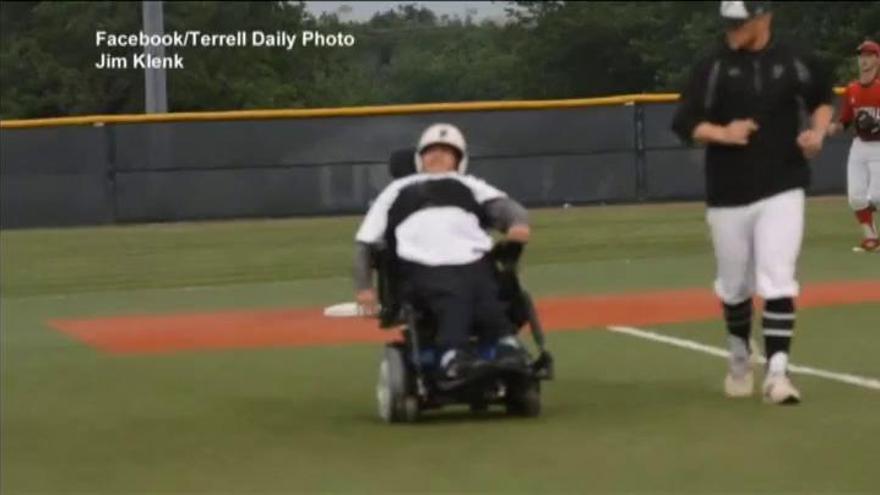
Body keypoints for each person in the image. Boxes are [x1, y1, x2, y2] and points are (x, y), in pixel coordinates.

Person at [671, 1, 834, 404]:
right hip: (728, 192)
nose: (733, 30)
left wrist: (818, 133)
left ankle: (778, 372)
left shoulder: (795, 59)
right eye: (729, 23)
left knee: (778, 275)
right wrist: (724, 133)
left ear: (764, 18)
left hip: (783, 183)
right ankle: (740, 355)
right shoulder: (713, 66)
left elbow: (822, 99)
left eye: (741, 23)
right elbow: (684, 121)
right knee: (734, 286)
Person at [353, 123, 530, 380]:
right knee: (453, 295)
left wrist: (518, 225)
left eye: (446, 151)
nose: (437, 155)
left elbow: (510, 210)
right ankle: (452, 354)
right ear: (419, 158)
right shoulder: (397, 190)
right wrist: (364, 287)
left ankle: (506, 347)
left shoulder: (471, 185)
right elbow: (365, 242)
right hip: (419, 265)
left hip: (474, 261)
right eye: (431, 151)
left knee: (489, 292)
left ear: (459, 160)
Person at [827, 40, 880, 253]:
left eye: (868, 55)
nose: (864, 60)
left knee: (876, 197)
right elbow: (847, 119)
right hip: (859, 146)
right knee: (856, 197)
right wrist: (835, 127)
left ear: (877, 59)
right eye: (861, 56)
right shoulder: (852, 89)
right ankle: (871, 239)